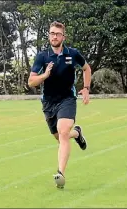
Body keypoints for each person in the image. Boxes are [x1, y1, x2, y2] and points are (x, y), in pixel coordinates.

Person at [28, 21, 92, 188]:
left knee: (63, 132)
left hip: (67, 99)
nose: (54, 36)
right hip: (49, 102)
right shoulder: (42, 56)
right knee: (60, 137)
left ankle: (60, 174)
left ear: (63, 36)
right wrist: (45, 75)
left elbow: (87, 68)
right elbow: (31, 82)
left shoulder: (73, 53)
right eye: (51, 33)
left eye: (57, 33)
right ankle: (77, 134)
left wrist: (85, 88)